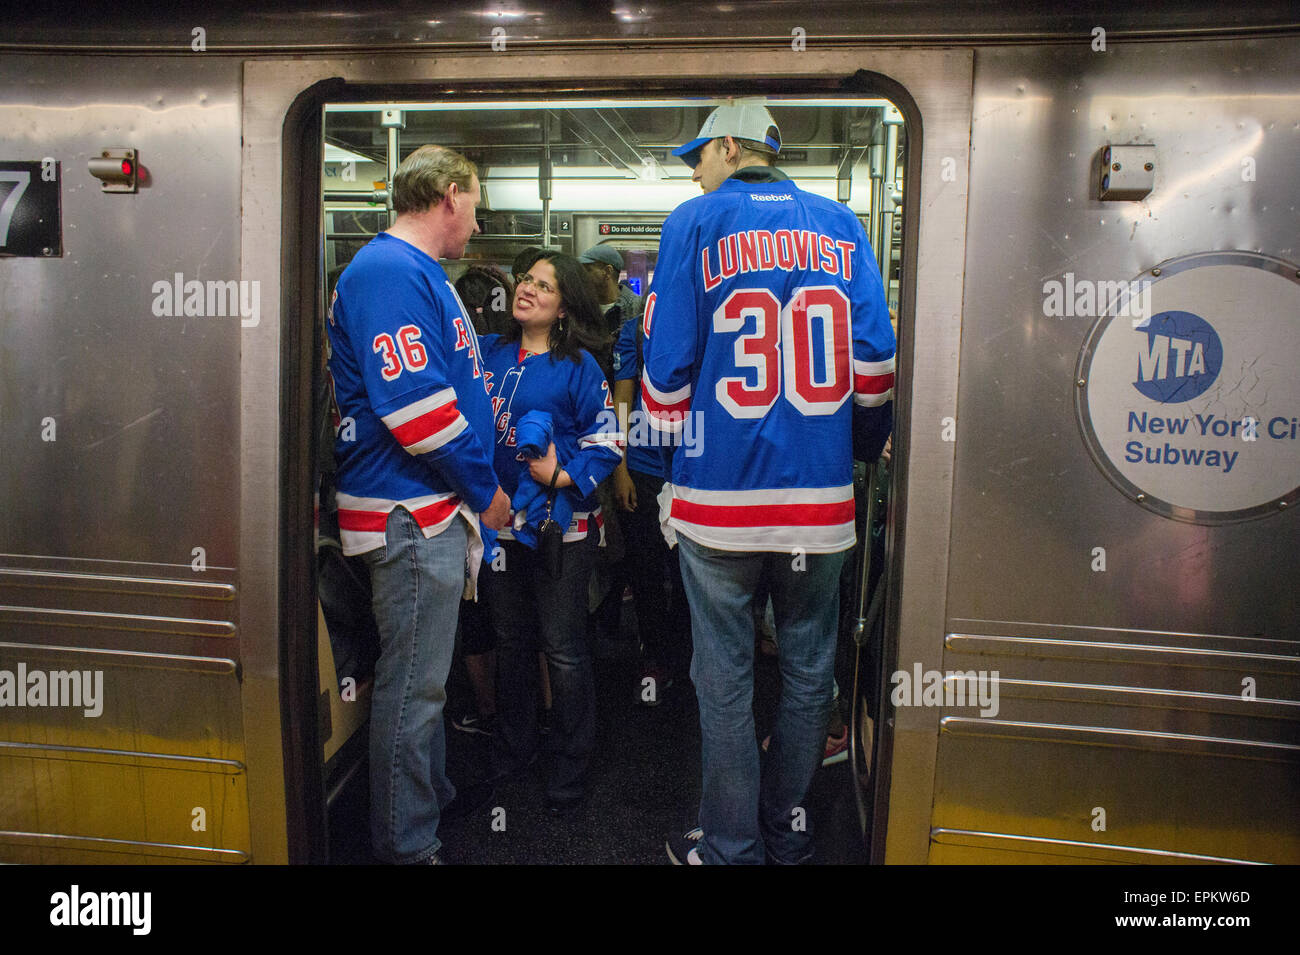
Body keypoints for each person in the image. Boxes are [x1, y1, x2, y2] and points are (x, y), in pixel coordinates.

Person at [642, 104, 895, 864]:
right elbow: (877, 364)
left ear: (727, 146)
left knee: (722, 681)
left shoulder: (694, 221)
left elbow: (664, 374)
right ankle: (786, 831)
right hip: (819, 505)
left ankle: (729, 847)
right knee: (810, 671)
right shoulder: (843, 223)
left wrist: (663, 462)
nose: (694, 171)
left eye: (698, 156)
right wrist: (851, 451)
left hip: (718, 504)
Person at [326, 144, 511, 865]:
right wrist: (486, 490)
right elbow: (420, 412)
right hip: (408, 511)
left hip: (426, 510)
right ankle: (406, 843)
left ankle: (426, 802)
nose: (478, 219)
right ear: (451, 195)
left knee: (425, 684)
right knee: (413, 692)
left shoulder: (415, 273)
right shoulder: (389, 271)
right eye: (477, 202)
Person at [477, 251, 623, 815]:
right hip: (500, 531)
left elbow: (609, 441)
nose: (528, 289)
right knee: (512, 643)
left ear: (564, 308)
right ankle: (515, 751)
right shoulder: (488, 356)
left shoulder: (580, 367)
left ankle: (570, 763)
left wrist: (562, 475)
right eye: (525, 280)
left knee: (561, 650)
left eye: (544, 285)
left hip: (564, 532)